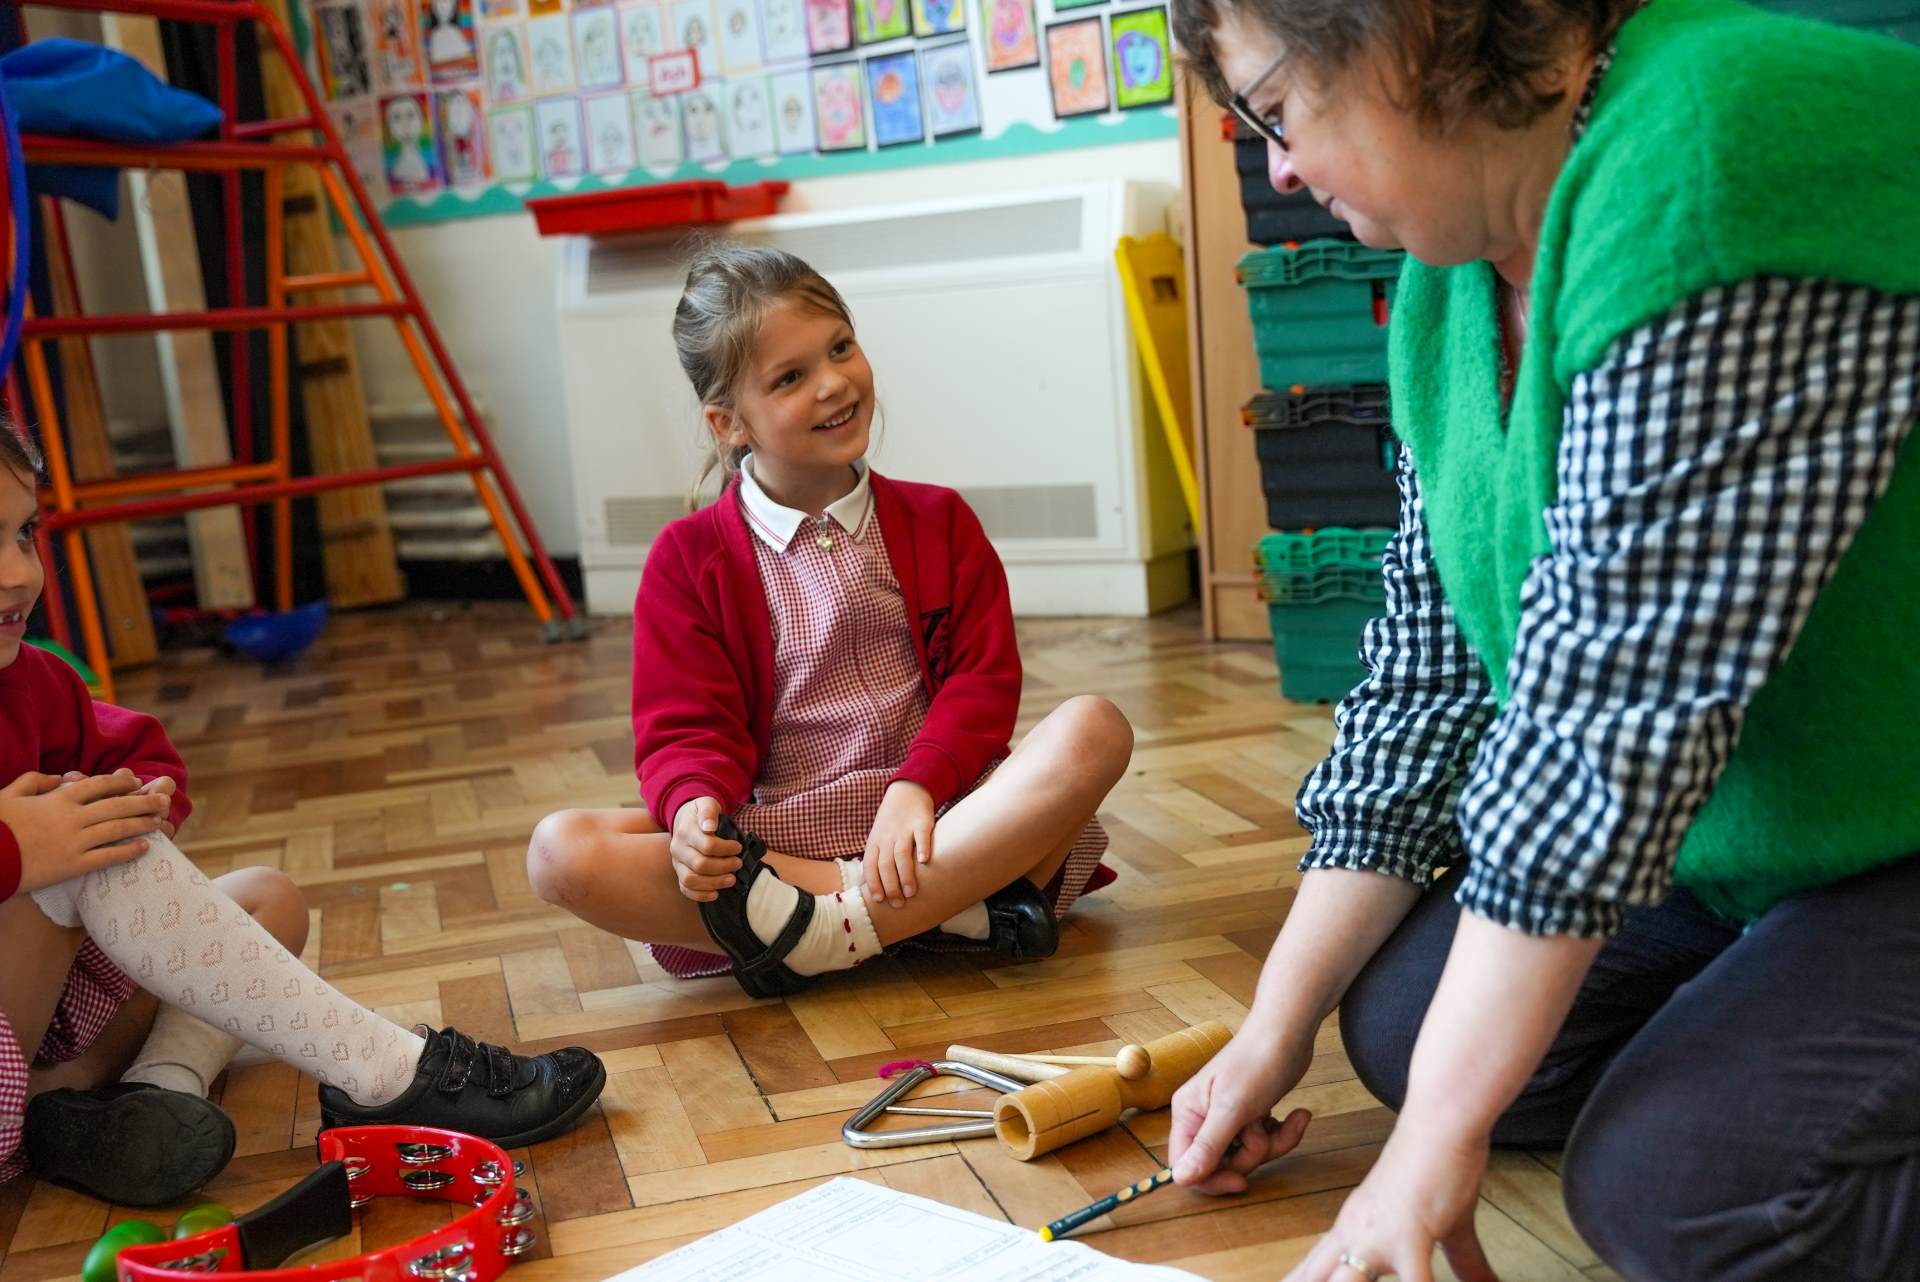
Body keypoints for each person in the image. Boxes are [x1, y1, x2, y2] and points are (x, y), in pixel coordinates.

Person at [1163, 0, 1920, 1278]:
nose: (1278, 167)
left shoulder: (1714, 150)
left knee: (1672, 1188)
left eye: (1276, 109)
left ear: (1400, 27)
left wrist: (1429, 1150)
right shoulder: (1446, 281)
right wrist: (1270, 1030)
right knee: (1405, 1027)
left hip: (1889, 839)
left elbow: (1602, 720)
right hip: (1772, 851)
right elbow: (1431, 682)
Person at [0, 428, 607, 1206]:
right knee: (89, 842)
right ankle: (385, 1075)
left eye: (25, 532)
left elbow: (139, 750)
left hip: (41, 1036)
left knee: (267, 897)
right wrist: (21, 848)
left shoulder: (33, 679)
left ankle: (132, 1096)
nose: (20, 572)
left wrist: (141, 797)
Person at [527, 244, 1133, 997]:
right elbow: (684, 727)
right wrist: (692, 809)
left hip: (943, 818)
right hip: (781, 842)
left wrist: (916, 788)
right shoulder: (686, 559)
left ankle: (819, 931)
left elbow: (981, 684)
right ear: (729, 422)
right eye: (790, 378)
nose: (833, 382)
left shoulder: (941, 520)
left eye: (840, 347)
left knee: (1096, 727)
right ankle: (957, 913)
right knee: (560, 852)